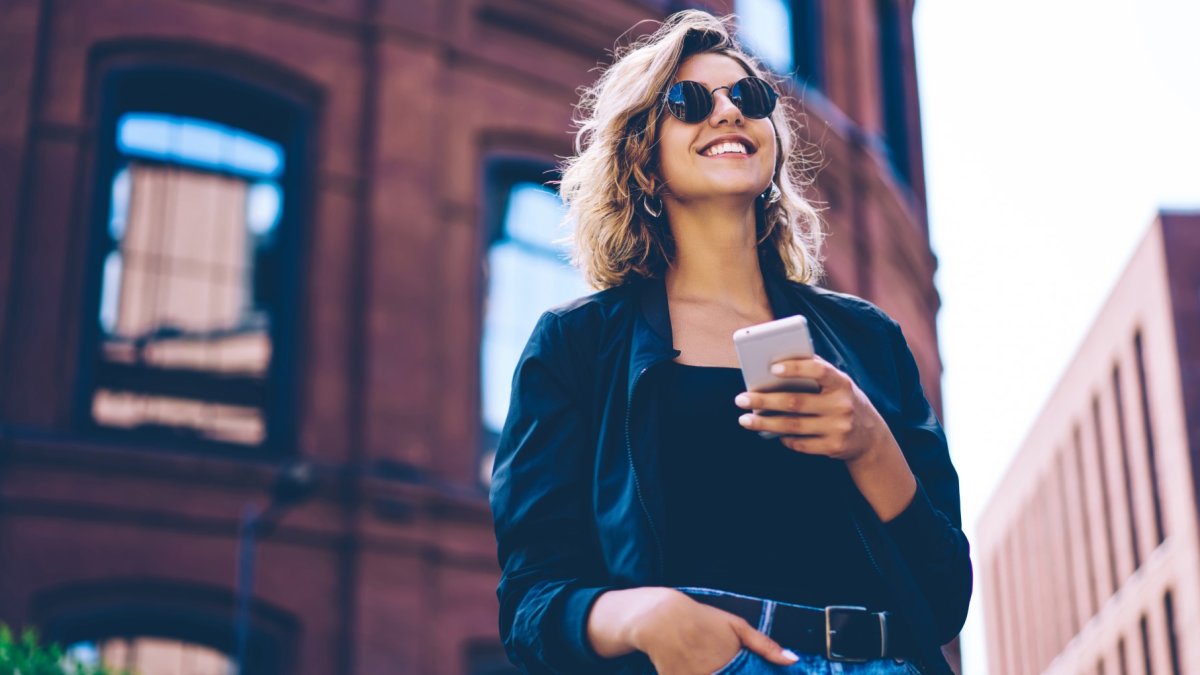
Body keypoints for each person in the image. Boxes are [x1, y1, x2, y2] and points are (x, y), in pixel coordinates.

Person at [489, 10, 971, 675]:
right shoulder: (577, 346)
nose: (727, 112)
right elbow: (530, 605)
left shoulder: (869, 338)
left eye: (749, 97)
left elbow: (945, 598)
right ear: (644, 158)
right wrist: (645, 616)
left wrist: (870, 444)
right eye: (689, 101)